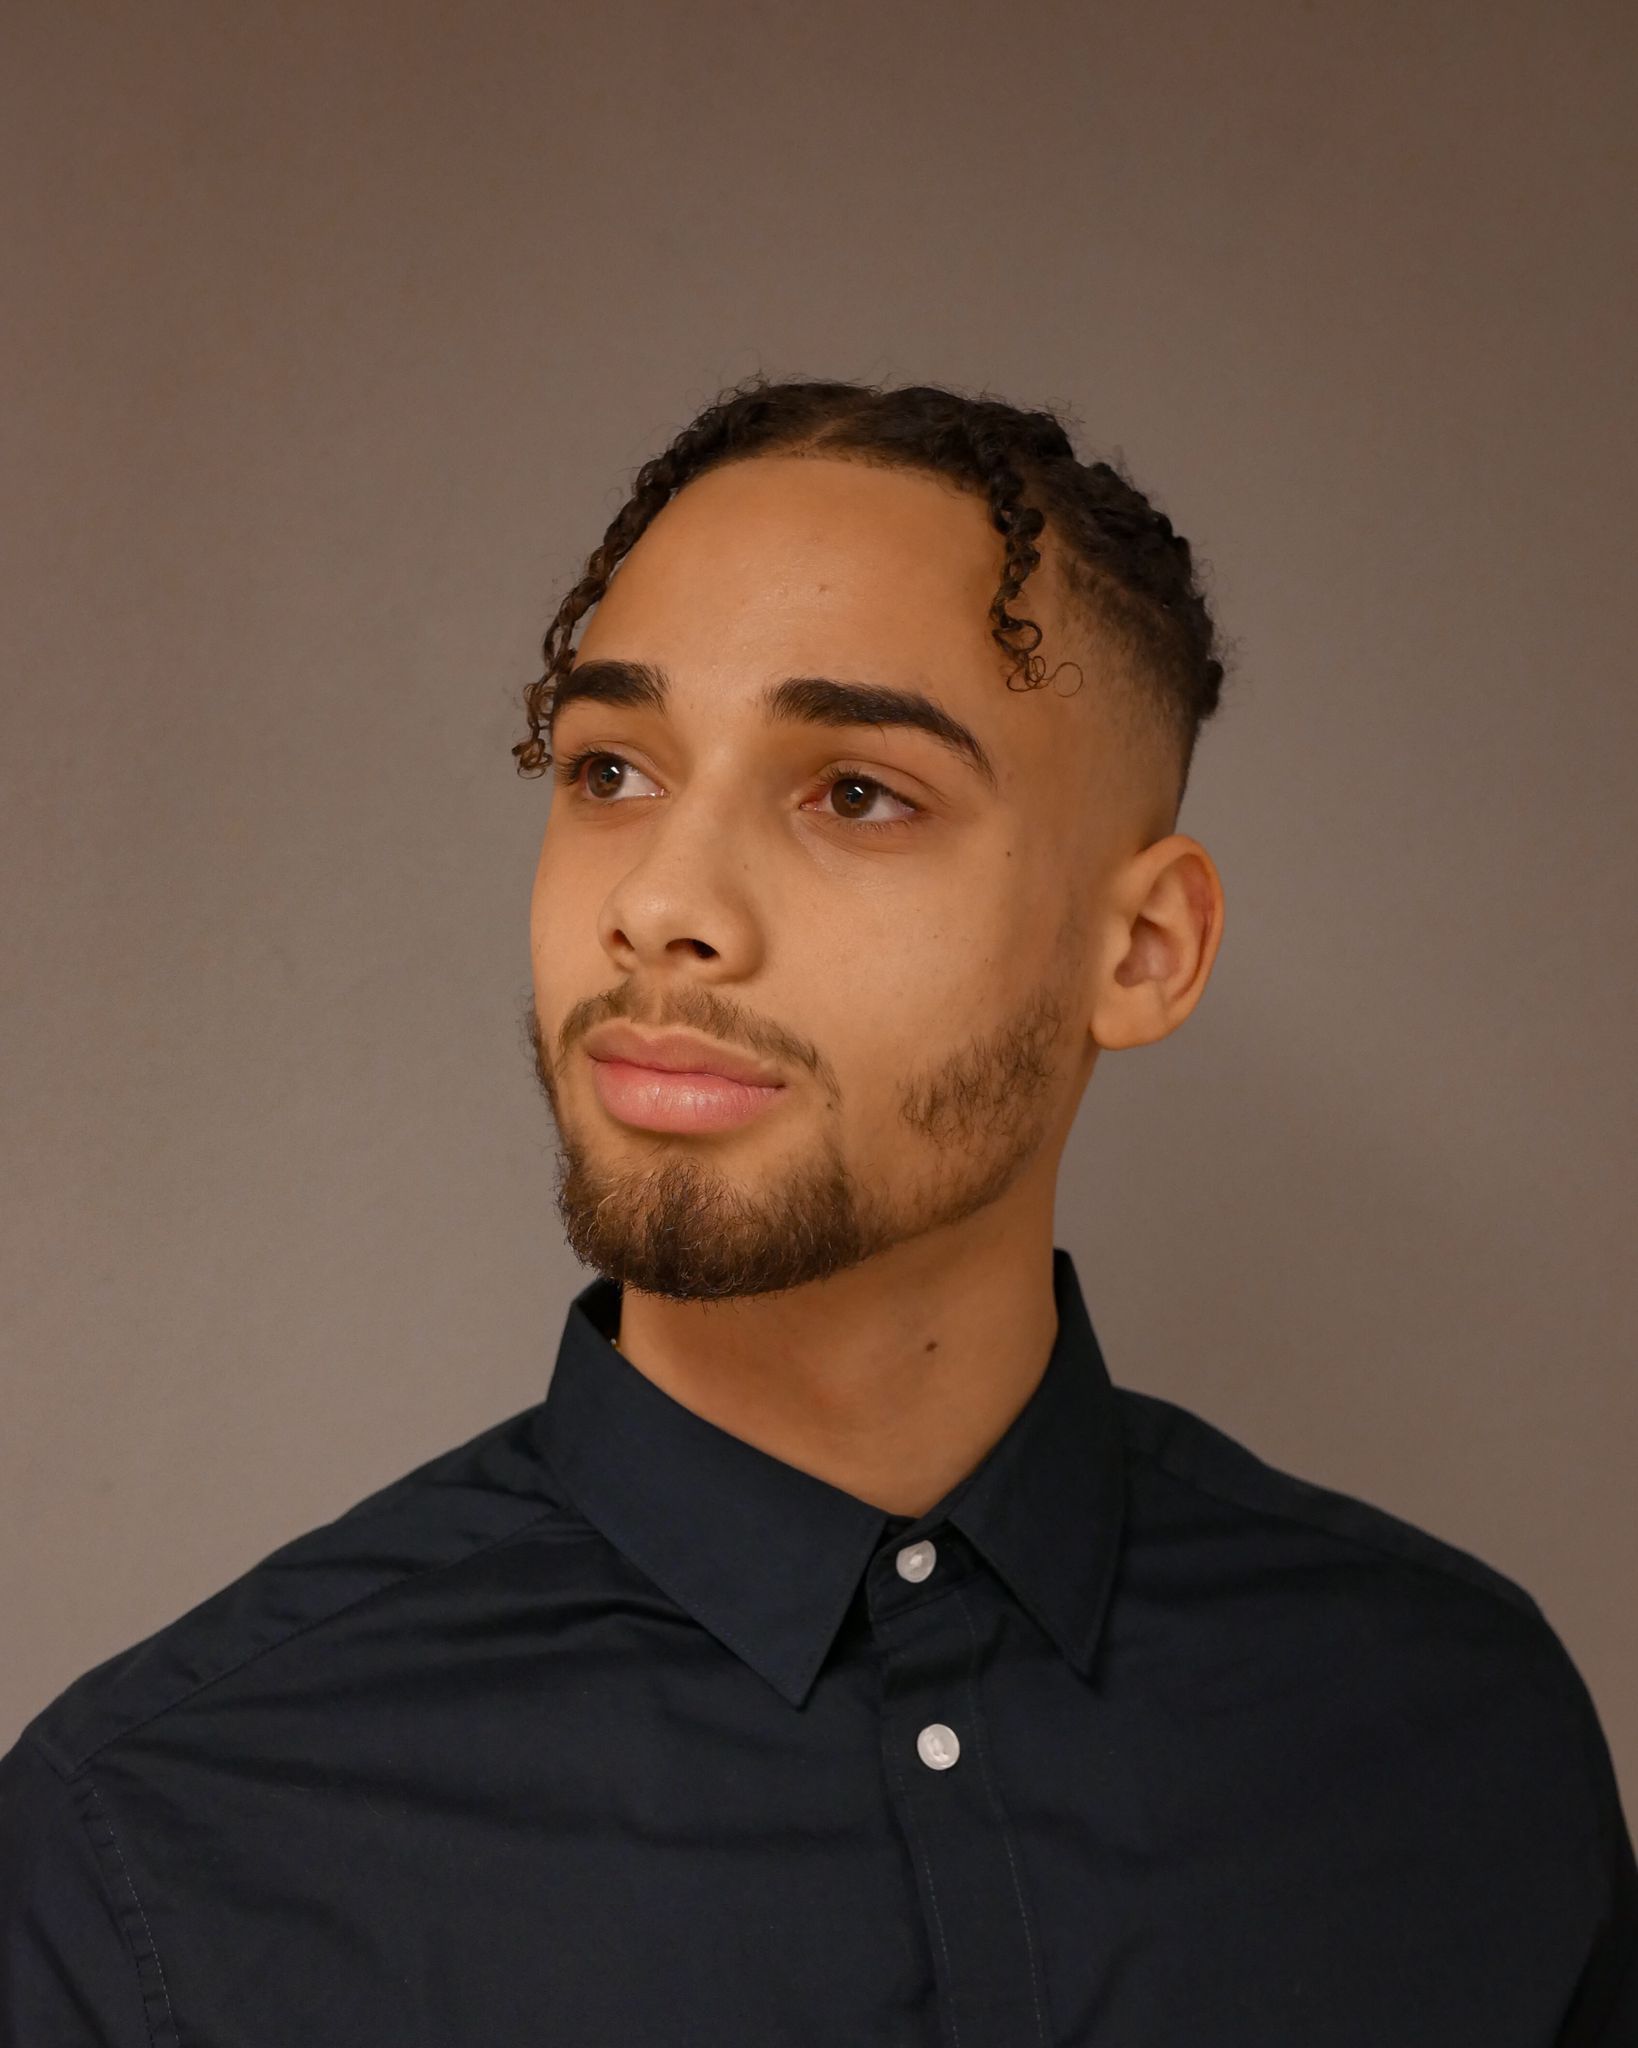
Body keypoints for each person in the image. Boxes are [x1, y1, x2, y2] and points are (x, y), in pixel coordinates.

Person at [3, 376, 1632, 2045]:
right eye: (612, 769)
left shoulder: (1458, 1729)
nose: (661, 905)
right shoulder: (163, 1839)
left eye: (856, 791)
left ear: (1141, 951)